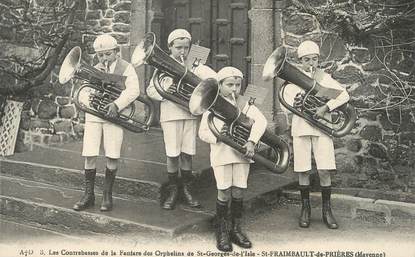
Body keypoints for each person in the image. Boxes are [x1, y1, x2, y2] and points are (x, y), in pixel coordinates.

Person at [283, 40, 350, 229]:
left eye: (314, 59)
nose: (310, 63)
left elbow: (344, 95)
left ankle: (327, 211)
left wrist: (326, 107)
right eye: (306, 60)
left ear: (318, 59)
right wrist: (296, 104)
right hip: (301, 128)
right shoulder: (292, 81)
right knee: (303, 170)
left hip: (321, 128)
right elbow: (283, 104)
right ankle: (305, 210)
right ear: (300, 61)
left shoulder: (324, 78)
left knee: (324, 169)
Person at [198, 67, 267, 252]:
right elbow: (203, 133)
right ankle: (222, 231)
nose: (234, 89)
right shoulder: (211, 105)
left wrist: (252, 142)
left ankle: (235, 229)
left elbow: (261, 121)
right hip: (221, 155)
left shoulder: (245, 104)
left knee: (238, 192)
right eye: (229, 85)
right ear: (219, 86)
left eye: (237, 85)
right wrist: (218, 137)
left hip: (241, 155)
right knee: (224, 192)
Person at [146, 29, 216, 210]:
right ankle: (173, 190)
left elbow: (213, 78)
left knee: (187, 152)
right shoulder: (163, 65)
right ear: (170, 48)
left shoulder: (195, 64)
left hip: (189, 114)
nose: (183, 52)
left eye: (186, 48)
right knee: (172, 153)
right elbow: (151, 90)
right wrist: (168, 92)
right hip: (170, 116)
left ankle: (186, 190)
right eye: (178, 48)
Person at [73, 34, 140, 212]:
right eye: (101, 55)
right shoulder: (94, 69)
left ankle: (107, 195)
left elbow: (134, 90)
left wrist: (117, 104)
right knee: (89, 153)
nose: (104, 58)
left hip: (114, 115)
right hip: (95, 117)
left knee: (112, 154)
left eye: (108, 54)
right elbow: (86, 92)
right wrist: (89, 99)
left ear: (117, 52)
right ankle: (88, 195)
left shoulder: (126, 68)